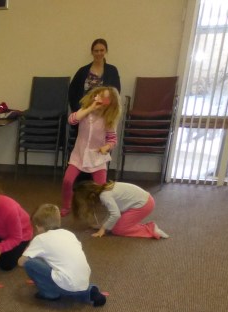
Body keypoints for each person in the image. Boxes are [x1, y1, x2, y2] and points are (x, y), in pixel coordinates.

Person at [18, 203, 106, 306]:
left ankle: (49, 293)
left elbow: (21, 262)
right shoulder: (68, 233)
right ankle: (90, 292)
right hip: (83, 281)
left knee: (30, 263)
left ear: (38, 227)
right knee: (70, 279)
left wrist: (28, 252)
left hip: (65, 284)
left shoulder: (40, 239)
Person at [61, 86, 122, 217]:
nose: (100, 100)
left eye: (105, 99)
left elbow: (112, 139)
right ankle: (67, 205)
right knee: (67, 181)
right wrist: (89, 108)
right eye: (99, 96)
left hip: (97, 158)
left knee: (101, 188)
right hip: (79, 155)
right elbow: (72, 120)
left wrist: (107, 147)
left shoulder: (108, 119)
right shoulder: (85, 113)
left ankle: (98, 208)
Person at [73, 181, 169, 239]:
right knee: (114, 225)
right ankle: (147, 227)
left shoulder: (104, 196)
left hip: (144, 205)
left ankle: (150, 230)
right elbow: (111, 212)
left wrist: (102, 229)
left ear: (92, 196)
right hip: (145, 201)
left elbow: (115, 214)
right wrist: (103, 226)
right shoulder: (106, 189)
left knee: (118, 230)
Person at [69, 39, 122, 113]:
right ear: (92, 52)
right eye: (96, 51)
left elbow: (115, 93)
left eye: (101, 50)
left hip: (103, 112)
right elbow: (72, 91)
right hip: (83, 111)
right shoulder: (82, 71)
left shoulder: (112, 70)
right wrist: (76, 109)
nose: (99, 53)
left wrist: (102, 105)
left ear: (106, 51)